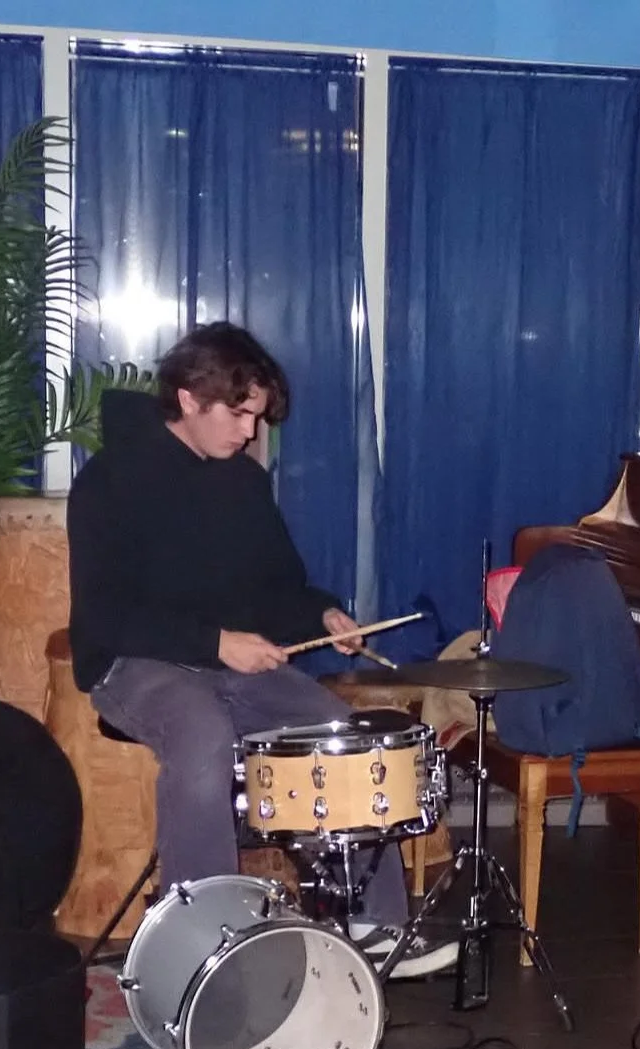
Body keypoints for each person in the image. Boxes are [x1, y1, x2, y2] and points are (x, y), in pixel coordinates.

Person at [67, 321, 455, 978]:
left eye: (255, 416)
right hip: (136, 663)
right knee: (202, 735)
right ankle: (206, 944)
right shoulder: (110, 482)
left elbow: (280, 587)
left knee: (339, 734)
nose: (250, 431)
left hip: (233, 666)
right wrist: (216, 642)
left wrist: (323, 612)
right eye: (239, 412)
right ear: (190, 398)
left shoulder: (242, 483)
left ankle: (373, 926)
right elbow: (105, 616)